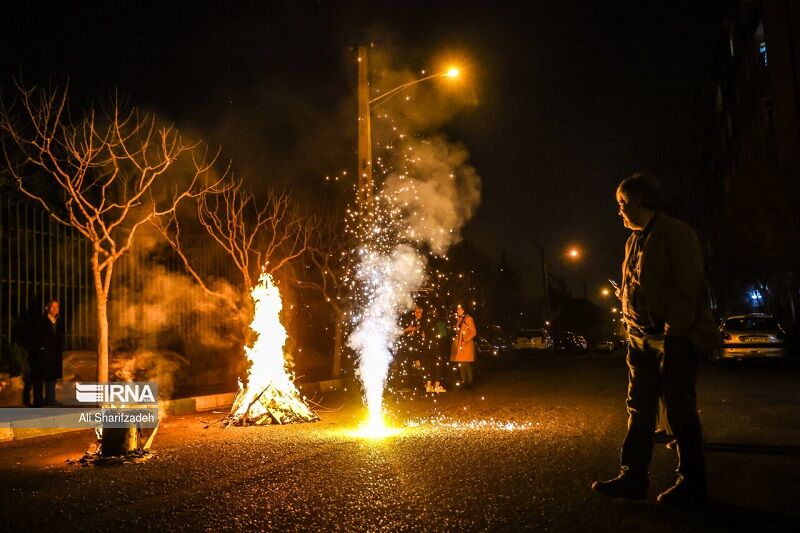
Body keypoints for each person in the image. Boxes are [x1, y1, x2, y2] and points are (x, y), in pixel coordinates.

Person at [592, 173, 718, 506]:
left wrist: (674, 333)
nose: (618, 211)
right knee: (640, 408)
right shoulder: (633, 240)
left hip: (672, 338)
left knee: (679, 411)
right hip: (640, 338)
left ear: (637, 201)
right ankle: (633, 477)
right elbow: (639, 283)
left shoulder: (676, 233)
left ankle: (693, 484)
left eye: (621, 204)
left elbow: (687, 288)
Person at [29, 298, 64, 407]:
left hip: (55, 353)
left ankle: (50, 399)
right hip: (43, 353)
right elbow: (35, 337)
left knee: (52, 377)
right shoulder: (41, 321)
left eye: (57, 306)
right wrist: (41, 349)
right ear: (47, 308)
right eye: (53, 306)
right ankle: (38, 402)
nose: (55, 309)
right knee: (39, 377)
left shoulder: (59, 322)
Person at [451, 304, 477, 390]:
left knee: (466, 364)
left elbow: (473, 332)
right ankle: (464, 382)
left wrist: (465, 339)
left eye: (459, 309)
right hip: (460, 346)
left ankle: (470, 383)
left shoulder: (468, 319)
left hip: (466, 345)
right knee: (461, 364)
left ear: (463, 310)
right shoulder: (459, 319)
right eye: (457, 309)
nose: (457, 311)